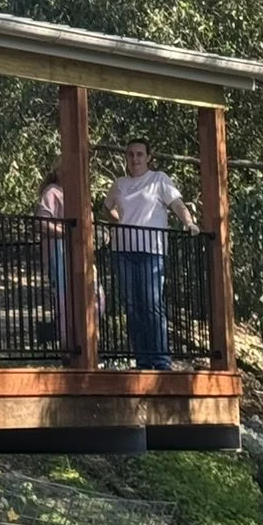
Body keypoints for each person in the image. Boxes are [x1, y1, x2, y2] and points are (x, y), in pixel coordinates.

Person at [102, 137, 197, 370]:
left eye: (139, 154)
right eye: (130, 154)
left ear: (148, 157)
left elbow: (177, 204)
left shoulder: (159, 179)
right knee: (132, 306)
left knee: (152, 304)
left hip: (151, 251)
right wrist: (119, 223)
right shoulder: (120, 183)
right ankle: (143, 359)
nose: (134, 158)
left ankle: (160, 360)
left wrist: (189, 223)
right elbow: (106, 209)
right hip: (123, 251)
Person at [36, 162, 68, 347]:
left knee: (96, 296)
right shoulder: (52, 192)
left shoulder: (76, 192)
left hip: (77, 252)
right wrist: (67, 232)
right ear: (57, 172)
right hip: (59, 249)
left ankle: (83, 339)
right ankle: (67, 343)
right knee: (64, 298)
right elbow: (41, 222)